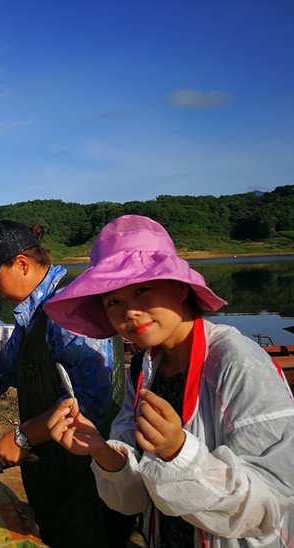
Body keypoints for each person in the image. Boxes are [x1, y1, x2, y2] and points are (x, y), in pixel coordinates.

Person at [43, 215, 294, 548]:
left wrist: (177, 451)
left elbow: (272, 504)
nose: (129, 312)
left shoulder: (238, 363)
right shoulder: (144, 368)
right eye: (113, 301)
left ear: (179, 287)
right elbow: (138, 499)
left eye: (142, 290)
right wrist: (103, 452)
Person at [0, 220, 122, 548]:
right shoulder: (33, 311)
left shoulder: (72, 310)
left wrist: (23, 436)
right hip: (50, 468)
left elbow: (93, 406)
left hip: (88, 476)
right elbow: (1, 372)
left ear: (21, 264)